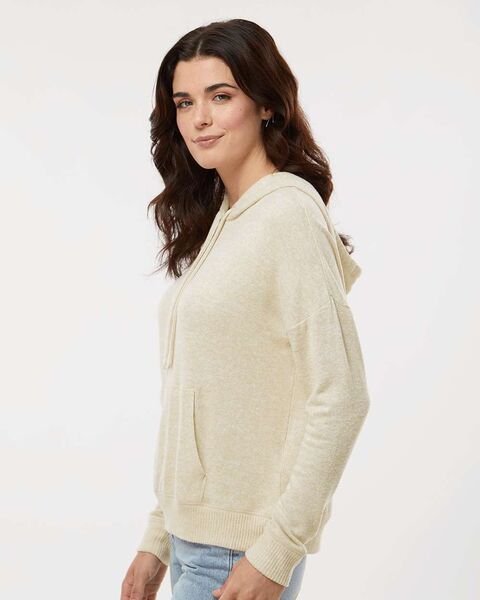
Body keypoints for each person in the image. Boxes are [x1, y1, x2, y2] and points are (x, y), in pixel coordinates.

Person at [120, 18, 370, 600]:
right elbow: (201, 400)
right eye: (185, 102)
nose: (199, 119)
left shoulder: (286, 214)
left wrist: (277, 552)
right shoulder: (229, 221)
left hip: (239, 553)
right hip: (194, 543)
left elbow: (341, 395)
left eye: (221, 96)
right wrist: (159, 536)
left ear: (266, 105)